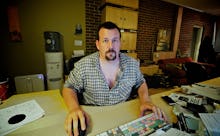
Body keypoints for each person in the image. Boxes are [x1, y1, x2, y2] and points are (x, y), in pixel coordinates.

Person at [62, 21, 167, 136]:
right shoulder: (83, 65)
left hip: (123, 116)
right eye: (105, 41)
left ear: (120, 43)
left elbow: (141, 82)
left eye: (115, 40)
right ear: (98, 44)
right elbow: (69, 88)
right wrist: (74, 108)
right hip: (92, 118)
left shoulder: (132, 64)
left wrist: (145, 100)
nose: (111, 46)